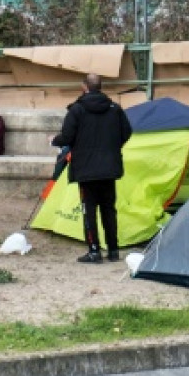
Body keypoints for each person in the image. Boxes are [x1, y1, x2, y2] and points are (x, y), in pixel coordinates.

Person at [52, 73, 132, 263]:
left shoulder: (77, 110)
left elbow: (67, 137)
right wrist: (112, 148)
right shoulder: (115, 109)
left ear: (84, 86)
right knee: (109, 209)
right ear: (100, 86)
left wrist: (54, 141)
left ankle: (94, 250)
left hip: (86, 169)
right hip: (109, 167)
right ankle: (113, 250)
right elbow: (126, 132)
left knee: (89, 209)